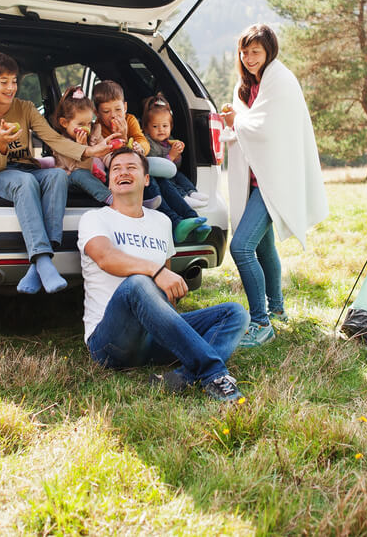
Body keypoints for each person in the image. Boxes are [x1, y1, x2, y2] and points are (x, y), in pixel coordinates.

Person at [78, 147, 249, 402]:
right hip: (110, 342)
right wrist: (154, 271)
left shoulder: (161, 222)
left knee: (235, 313)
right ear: (109, 180)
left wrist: (162, 283)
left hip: (153, 338)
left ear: (147, 180)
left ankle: (184, 378)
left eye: (131, 167)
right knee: (138, 283)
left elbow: (166, 286)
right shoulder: (94, 219)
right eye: (116, 169)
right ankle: (213, 373)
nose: (123, 172)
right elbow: (105, 258)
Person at [0, 52, 118, 294]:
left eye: (14, 81)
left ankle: (39, 264)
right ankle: (43, 260)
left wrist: (90, 150)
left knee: (57, 175)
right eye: (3, 82)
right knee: (24, 182)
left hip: (26, 168)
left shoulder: (25, 108)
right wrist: (2, 143)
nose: (11, 87)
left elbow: (54, 139)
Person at [221, 24, 328, 347]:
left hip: (273, 180)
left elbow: (266, 129)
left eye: (256, 51)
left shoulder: (279, 80)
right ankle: (278, 310)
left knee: (241, 247)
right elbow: (252, 124)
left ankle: (260, 322)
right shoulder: (252, 85)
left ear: (269, 52)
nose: (249, 57)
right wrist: (236, 118)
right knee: (264, 247)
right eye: (245, 51)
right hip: (258, 180)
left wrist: (235, 122)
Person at [91, 80, 210, 243]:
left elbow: (143, 141)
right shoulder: (97, 129)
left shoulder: (130, 120)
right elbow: (111, 160)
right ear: (96, 113)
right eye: (106, 111)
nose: (114, 115)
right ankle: (176, 224)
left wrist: (140, 148)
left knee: (164, 181)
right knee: (150, 181)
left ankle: (193, 219)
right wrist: (124, 138)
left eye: (118, 109)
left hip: (138, 167)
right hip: (122, 175)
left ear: (125, 107)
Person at [142, 93, 209, 209]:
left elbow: (176, 166)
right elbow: (155, 166)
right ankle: (184, 198)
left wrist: (177, 157)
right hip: (159, 175)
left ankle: (191, 192)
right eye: (155, 126)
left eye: (165, 126)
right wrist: (171, 156)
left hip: (171, 172)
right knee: (168, 182)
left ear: (171, 127)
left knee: (180, 175)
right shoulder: (148, 142)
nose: (161, 130)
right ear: (146, 128)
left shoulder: (170, 140)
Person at [51, 87, 113, 205]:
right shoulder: (61, 144)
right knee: (80, 175)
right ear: (64, 123)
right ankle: (113, 200)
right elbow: (79, 170)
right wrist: (83, 147)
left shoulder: (94, 133)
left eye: (89, 123)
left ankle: (135, 201)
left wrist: (117, 163)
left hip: (95, 177)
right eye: (81, 124)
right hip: (71, 180)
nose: (86, 128)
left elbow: (106, 155)